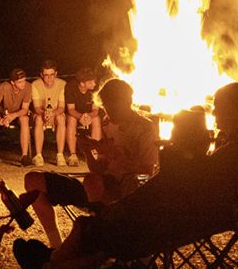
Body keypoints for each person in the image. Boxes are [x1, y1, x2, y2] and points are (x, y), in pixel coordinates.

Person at [13, 82, 238, 269]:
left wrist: (125, 206)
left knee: (95, 233)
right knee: (95, 232)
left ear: (233, 110)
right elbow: (178, 188)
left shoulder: (230, 153)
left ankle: (46, 266)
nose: (215, 115)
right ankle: (45, 266)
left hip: (178, 221)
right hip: (191, 216)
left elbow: (162, 185)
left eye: (219, 108)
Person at [23, 77, 159, 249]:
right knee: (34, 180)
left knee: (93, 181)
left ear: (128, 101)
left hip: (125, 194)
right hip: (97, 189)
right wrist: (88, 150)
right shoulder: (108, 124)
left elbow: (147, 170)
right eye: (106, 106)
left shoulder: (145, 128)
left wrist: (116, 157)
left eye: (113, 105)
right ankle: (56, 247)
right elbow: (98, 169)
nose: (109, 111)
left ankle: (99, 246)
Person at [0, 68, 32, 164]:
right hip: (4, 115)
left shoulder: (28, 87)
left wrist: (14, 115)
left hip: (18, 114)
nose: (23, 84)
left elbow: (25, 109)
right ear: (12, 82)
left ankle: (24, 156)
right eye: (20, 82)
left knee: (25, 119)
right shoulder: (4, 86)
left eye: (24, 80)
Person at [31, 60, 67, 166]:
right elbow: (37, 107)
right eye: (46, 75)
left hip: (56, 113)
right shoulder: (35, 85)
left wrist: (53, 114)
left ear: (56, 74)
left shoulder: (62, 84)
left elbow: (61, 107)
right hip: (41, 113)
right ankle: (38, 155)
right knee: (38, 119)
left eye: (52, 75)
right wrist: (44, 114)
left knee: (61, 118)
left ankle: (60, 155)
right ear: (41, 75)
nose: (49, 78)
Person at [64, 67, 102, 167]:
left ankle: (95, 153)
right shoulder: (70, 87)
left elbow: (96, 110)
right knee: (71, 119)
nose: (94, 84)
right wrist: (81, 117)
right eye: (90, 82)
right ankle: (73, 155)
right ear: (82, 83)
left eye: (94, 81)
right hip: (75, 113)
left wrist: (88, 116)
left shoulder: (96, 89)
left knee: (96, 120)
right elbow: (70, 109)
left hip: (90, 114)